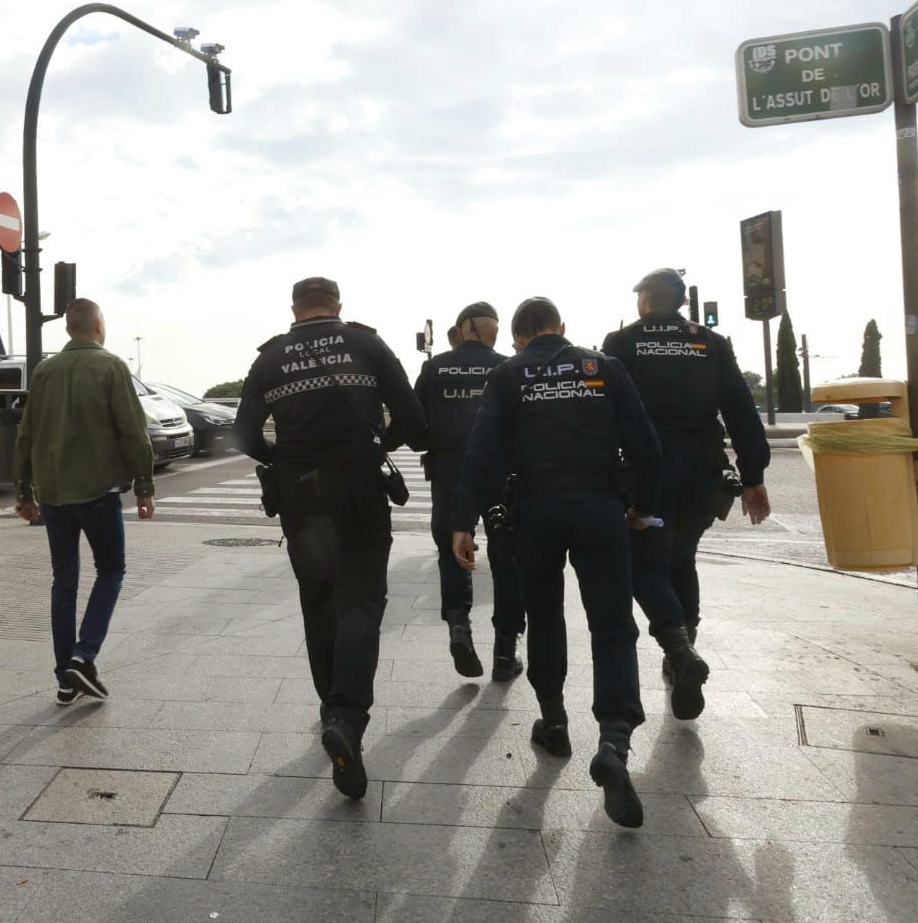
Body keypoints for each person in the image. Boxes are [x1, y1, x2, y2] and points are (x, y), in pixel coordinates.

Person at [452, 296, 662, 828]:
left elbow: (481, 453)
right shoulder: (602, 367)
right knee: (613, 625)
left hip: (535, 514)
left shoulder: (508, 375)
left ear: (518, 338)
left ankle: (553, 721)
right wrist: (642, 506)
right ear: (561, 329)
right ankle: (614, 740)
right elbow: (645, 445)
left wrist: (463, 521)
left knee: (545, 618)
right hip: (600, 508)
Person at [235, 277, 424, 800]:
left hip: (300, 495)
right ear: (339, 305)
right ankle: (347, 715)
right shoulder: (366, 343)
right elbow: (411, 417)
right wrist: (374, 444)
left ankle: (329, 709)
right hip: (360, 486)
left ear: (293, 308)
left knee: (318, 601)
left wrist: (284, 459)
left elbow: (245, 434)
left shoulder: (271, 358)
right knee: (361, 598)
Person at [602, 268, 771, 720]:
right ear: (678, 301)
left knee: (645, 565)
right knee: (682, 560)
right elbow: (740, 409)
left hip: (646, 473)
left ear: (644, 299)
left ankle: (679, 652)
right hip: (703, 469)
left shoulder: (621, 343)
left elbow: (601, 412)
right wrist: (752, 477)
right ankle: (682, 657)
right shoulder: (711, 343)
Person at [12, 298, 156, 706]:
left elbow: (26, 435)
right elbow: (133, 431)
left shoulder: (44, 371)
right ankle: (83, 654)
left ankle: (64, 679)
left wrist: (23, 491)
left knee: (64, 580)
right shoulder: (111, 366)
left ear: (68, 329)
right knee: (111, 570)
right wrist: (144, 485)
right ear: (97, 325)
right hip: (99, 492)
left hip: (55, 495)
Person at [411, 302, 525, 680]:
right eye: (493, 329)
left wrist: (436, 441)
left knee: (451, 548)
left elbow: (413, 422)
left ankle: (459, 626)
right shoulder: (507, 367)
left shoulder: (434, 367)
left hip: (449, 470)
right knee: (507, 556)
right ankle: (505, 654)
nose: (497, 334)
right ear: (472, 328)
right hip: (500, 471)